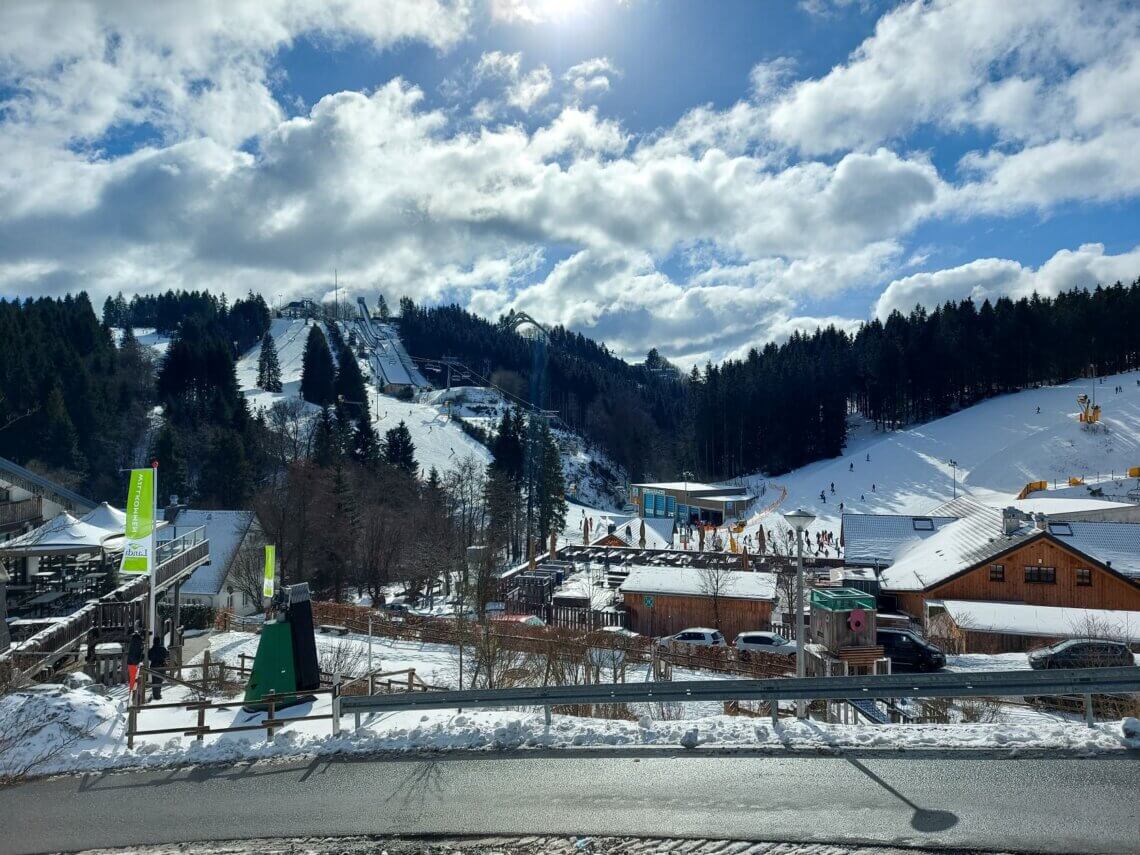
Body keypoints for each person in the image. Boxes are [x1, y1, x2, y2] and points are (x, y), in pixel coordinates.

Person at [148, 635, 169, 701]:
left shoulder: (151, 650)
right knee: (160, 680)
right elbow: (166, 655)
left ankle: (155, 694)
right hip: (161, 666)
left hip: (154, 666)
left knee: (154, 681)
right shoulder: (162, 648)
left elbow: (149, 658)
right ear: (159, 641)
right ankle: (158, 694)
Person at [126, 628, 144, 694]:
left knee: (133, 677)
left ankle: (132, 691)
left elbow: (133, 653)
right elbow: (135, 652)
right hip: (134, 662)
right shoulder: (137, 641)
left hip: (132, 662)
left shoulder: (134, 641)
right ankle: (133, 691)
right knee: (134, 677)